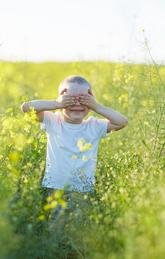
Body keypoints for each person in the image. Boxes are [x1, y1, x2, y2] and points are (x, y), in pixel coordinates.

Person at [21, 75, 128, 232]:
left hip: (83, 188)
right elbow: (25, 108)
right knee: (56, 224)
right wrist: (56, 103)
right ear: (61, 102)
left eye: (83, 99)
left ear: (90, 103)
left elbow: (122, 122)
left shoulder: (94, 126)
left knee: (80, 226)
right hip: (57, 186)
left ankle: (75, 254)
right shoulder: (53, 121)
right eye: (70, 99)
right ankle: (55, 253)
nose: (77, 103)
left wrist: (96, 106)